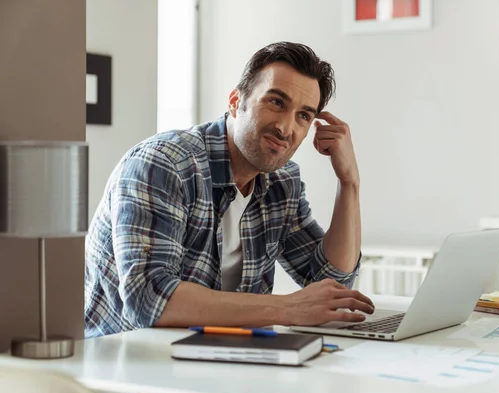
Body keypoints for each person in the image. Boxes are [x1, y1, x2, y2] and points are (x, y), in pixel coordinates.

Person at [84, 41, 374, 338]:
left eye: (303, 115)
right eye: (276, 102)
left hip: (218, 359)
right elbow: (148, 298)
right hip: (124, 362)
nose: (286, 128)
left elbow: (330, 283)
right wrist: (286, 308)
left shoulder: (281, 181)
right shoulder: (164, 164)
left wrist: (349, 182)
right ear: (236, 101)